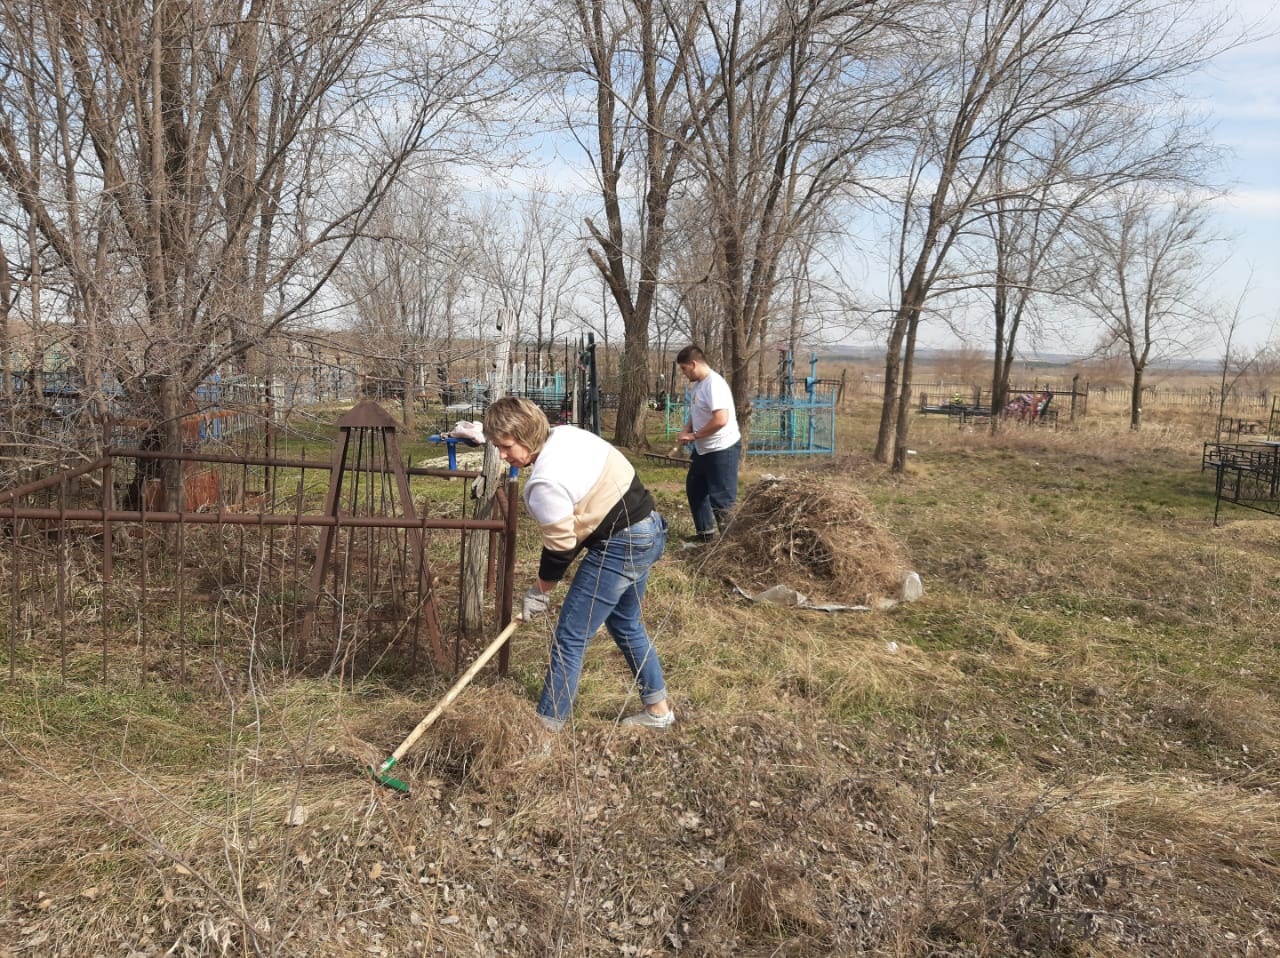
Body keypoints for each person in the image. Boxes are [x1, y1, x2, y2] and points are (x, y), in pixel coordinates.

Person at [483, 396, 674, 731]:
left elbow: (561, 546)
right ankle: (658, 711)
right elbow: (574, 531)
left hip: (622, 543)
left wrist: (540, 591)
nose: (502, 455)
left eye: (505, 446)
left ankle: (545, 730)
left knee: (570, 637)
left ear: (526, 437)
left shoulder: (544, 483)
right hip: (649, 529)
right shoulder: (568, 436)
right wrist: (544, 585)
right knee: (626, 624)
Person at [675, 345, 742, 542]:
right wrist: (687, 429)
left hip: (722, 449)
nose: (684, 373)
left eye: (684, 369)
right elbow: (698, 412)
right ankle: (705, 536)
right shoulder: (698, 385)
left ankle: (731, 546)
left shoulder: (715, 384)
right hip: (704, 450)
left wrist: (694, 436)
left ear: (694, 364)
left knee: (722, 499)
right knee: (695, 489)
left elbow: (721, 419)